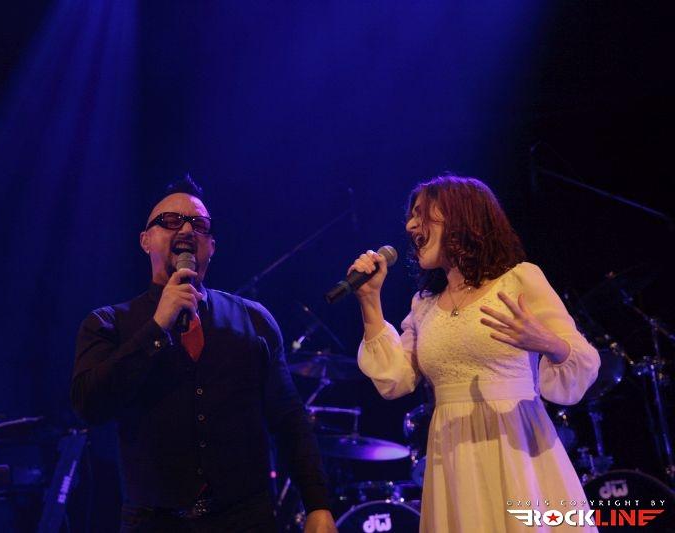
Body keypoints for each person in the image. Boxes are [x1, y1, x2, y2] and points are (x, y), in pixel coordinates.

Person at [70, 177, 336, 533]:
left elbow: (289, 419)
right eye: (170, 221)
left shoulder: (254, 320)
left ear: (211, 246)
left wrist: (318, 504)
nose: (185, 229)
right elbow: (89, 404)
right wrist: (157, 327)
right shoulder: (108, 323)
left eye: (198, 224)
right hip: (153, 522)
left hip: (245, 519)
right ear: (145, 241)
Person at [350, 175, 600, 532]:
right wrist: (369, 300)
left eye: (422, 213)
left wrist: (548, 343)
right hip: (452, 456)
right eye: (411, 216)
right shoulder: (424, 305)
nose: (410, 225)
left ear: (460, 216)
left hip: (516, 447)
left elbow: (583, 364)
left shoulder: (519, 279)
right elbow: (395, 380)